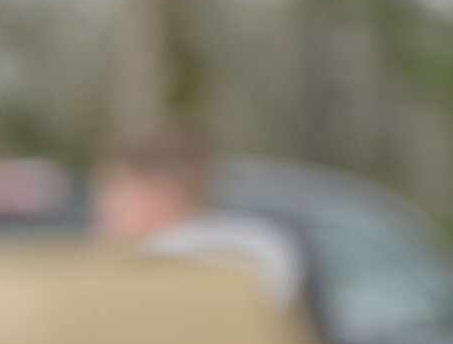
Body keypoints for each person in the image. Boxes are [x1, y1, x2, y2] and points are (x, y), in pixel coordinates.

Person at [92, 125, 305, 309]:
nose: (100, 205)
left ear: (162, 195)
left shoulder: (158, 268)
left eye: (116, 188)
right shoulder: (263, 248)